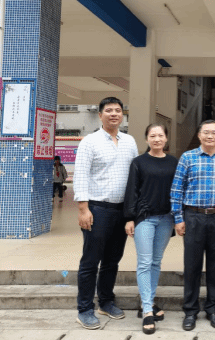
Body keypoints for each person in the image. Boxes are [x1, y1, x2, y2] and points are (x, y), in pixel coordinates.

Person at [73, 97, 138, 329]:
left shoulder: (130, 141)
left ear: (122, 115)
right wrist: (83, 209)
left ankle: (106, 301)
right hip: (97, 209)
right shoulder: (89, 142)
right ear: (100, 115)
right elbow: (80, 175)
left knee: (112, 260)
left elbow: (135, 177)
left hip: (121, 211)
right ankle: (84, 309)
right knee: (91, 261)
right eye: (108, 110)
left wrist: (132, 213)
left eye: (118, 110)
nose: (114, 114)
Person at [170, 119, 215, 331]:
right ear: (199, 135)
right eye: (206, 132)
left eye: (214, 132)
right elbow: (177, 190)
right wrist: (178, 218)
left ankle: (213, 309)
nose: (210, 136)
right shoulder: (187, 158)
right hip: (193, 216)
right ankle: (190, 311)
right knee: (192, 266)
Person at [123, 123, 178, 335]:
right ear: (147, 139)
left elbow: (178, 190)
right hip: (144, 218)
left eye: (160, 135)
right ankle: (147, 310)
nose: (157, 139)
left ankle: (149, 301)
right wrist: (129, 218)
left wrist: (179, 217)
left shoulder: (173, 162)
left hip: (166, 218)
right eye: (152, 136)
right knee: (145, 262)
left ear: (166, 138)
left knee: (155, 261)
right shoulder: (139, 162)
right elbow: (132, 191)